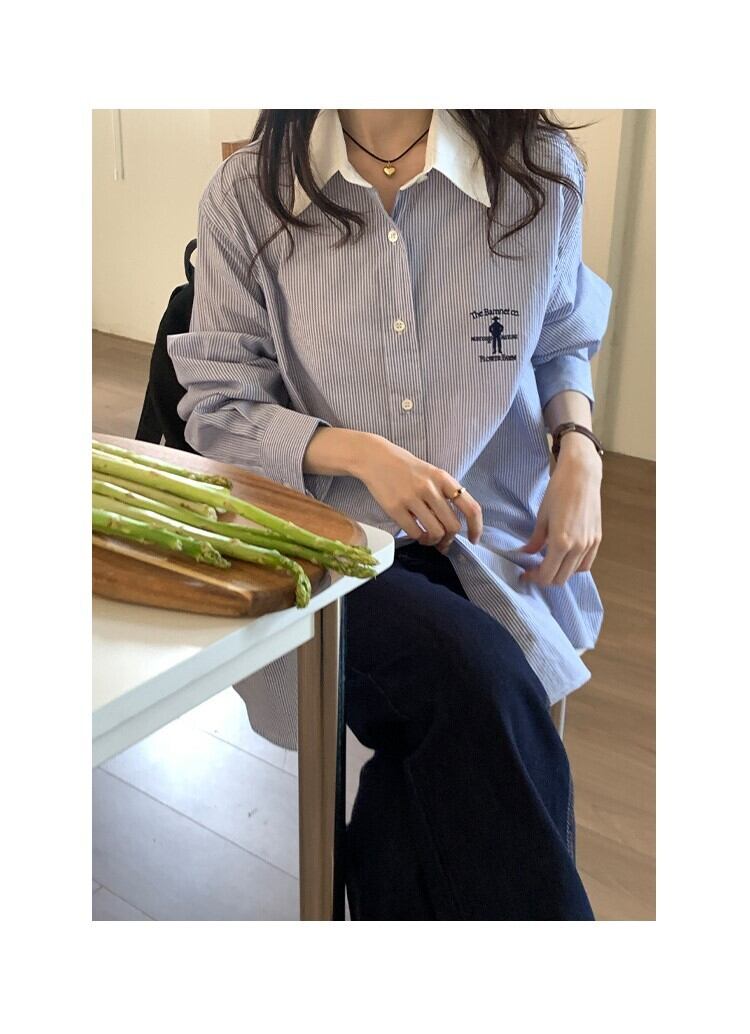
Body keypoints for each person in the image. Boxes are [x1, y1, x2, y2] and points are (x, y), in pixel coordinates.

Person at [168, 109, 613, 920]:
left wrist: (578, 449)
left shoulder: (540, 173)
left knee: (439, 758)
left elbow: (560, 339)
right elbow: (219, 406)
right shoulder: (248, 195)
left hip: (499, 536)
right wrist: (361, 454)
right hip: (332, 542)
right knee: (480, 679)